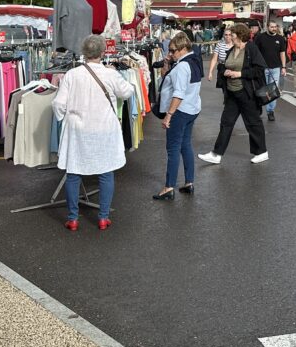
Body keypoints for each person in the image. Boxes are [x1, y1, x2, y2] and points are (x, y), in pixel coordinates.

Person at [52, 35, 137, 231]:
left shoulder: (72, 75)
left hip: (78, 130)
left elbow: (58, 103)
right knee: (106, 172)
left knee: (74, 172)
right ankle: (103, 217)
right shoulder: (110, 74)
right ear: (102, 52)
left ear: (84, 52)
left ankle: (73, 218)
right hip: (103, 128)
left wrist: (63, 119)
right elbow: (126, 92)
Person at [198, 22, 269, 165]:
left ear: (240, 35)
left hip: (247, 93)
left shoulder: (251, 49)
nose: (230, 36)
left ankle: (261, 152)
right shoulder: (231, 50)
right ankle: (216, 154)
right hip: (232, 93)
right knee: (226, 122)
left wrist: (240, 73)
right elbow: (222, 65)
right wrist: (224, 71)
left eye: (233, 34)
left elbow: (259, 69)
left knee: (253, 123)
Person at [153, 33, 202, 201]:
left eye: (173, 50)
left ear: (182, 49)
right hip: (192, 108)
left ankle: (169, 187)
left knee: (173, 149)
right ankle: (189, 182)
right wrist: (168, 62)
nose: (170, 53)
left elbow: (178, 94)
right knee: (185, 145)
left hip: (180, 111)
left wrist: (168, 115)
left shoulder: (182, 67)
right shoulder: (194, 60)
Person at [254, 21, 287, 121]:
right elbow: (255, 52)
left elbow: (282, 53)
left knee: (273, 90)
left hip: (275, 68)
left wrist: (284, 67)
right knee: (261, 89)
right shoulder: (260, 37)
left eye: (275, 27)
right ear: (267, 27)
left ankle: (270, 111)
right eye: (272, 27)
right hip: (262, 68)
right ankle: (258, 109)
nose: (274, 28)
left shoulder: (280, 39)